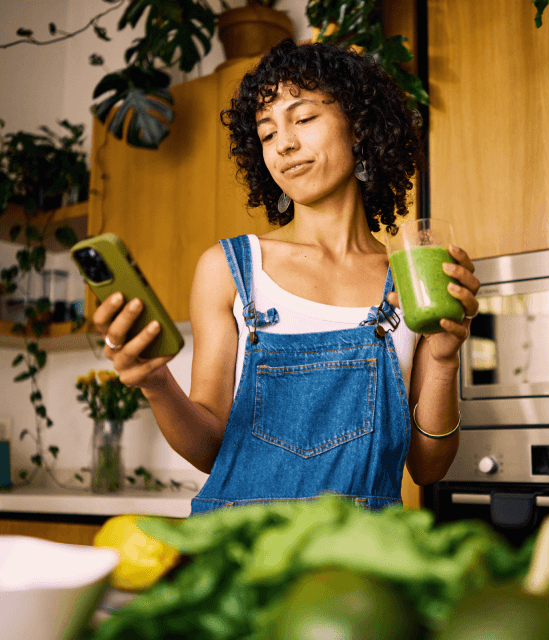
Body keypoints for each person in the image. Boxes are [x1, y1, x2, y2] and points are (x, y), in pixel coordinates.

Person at [92, 39, 480, 513]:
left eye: (303, 118)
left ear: (358, 125)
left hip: (361, 562)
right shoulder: (230, 268)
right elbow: (209, 447)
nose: (285, 144)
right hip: (241, 549)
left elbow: (428, 467)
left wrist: (442, 359)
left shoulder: (409, 282)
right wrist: (155, 382)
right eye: (267, 132)